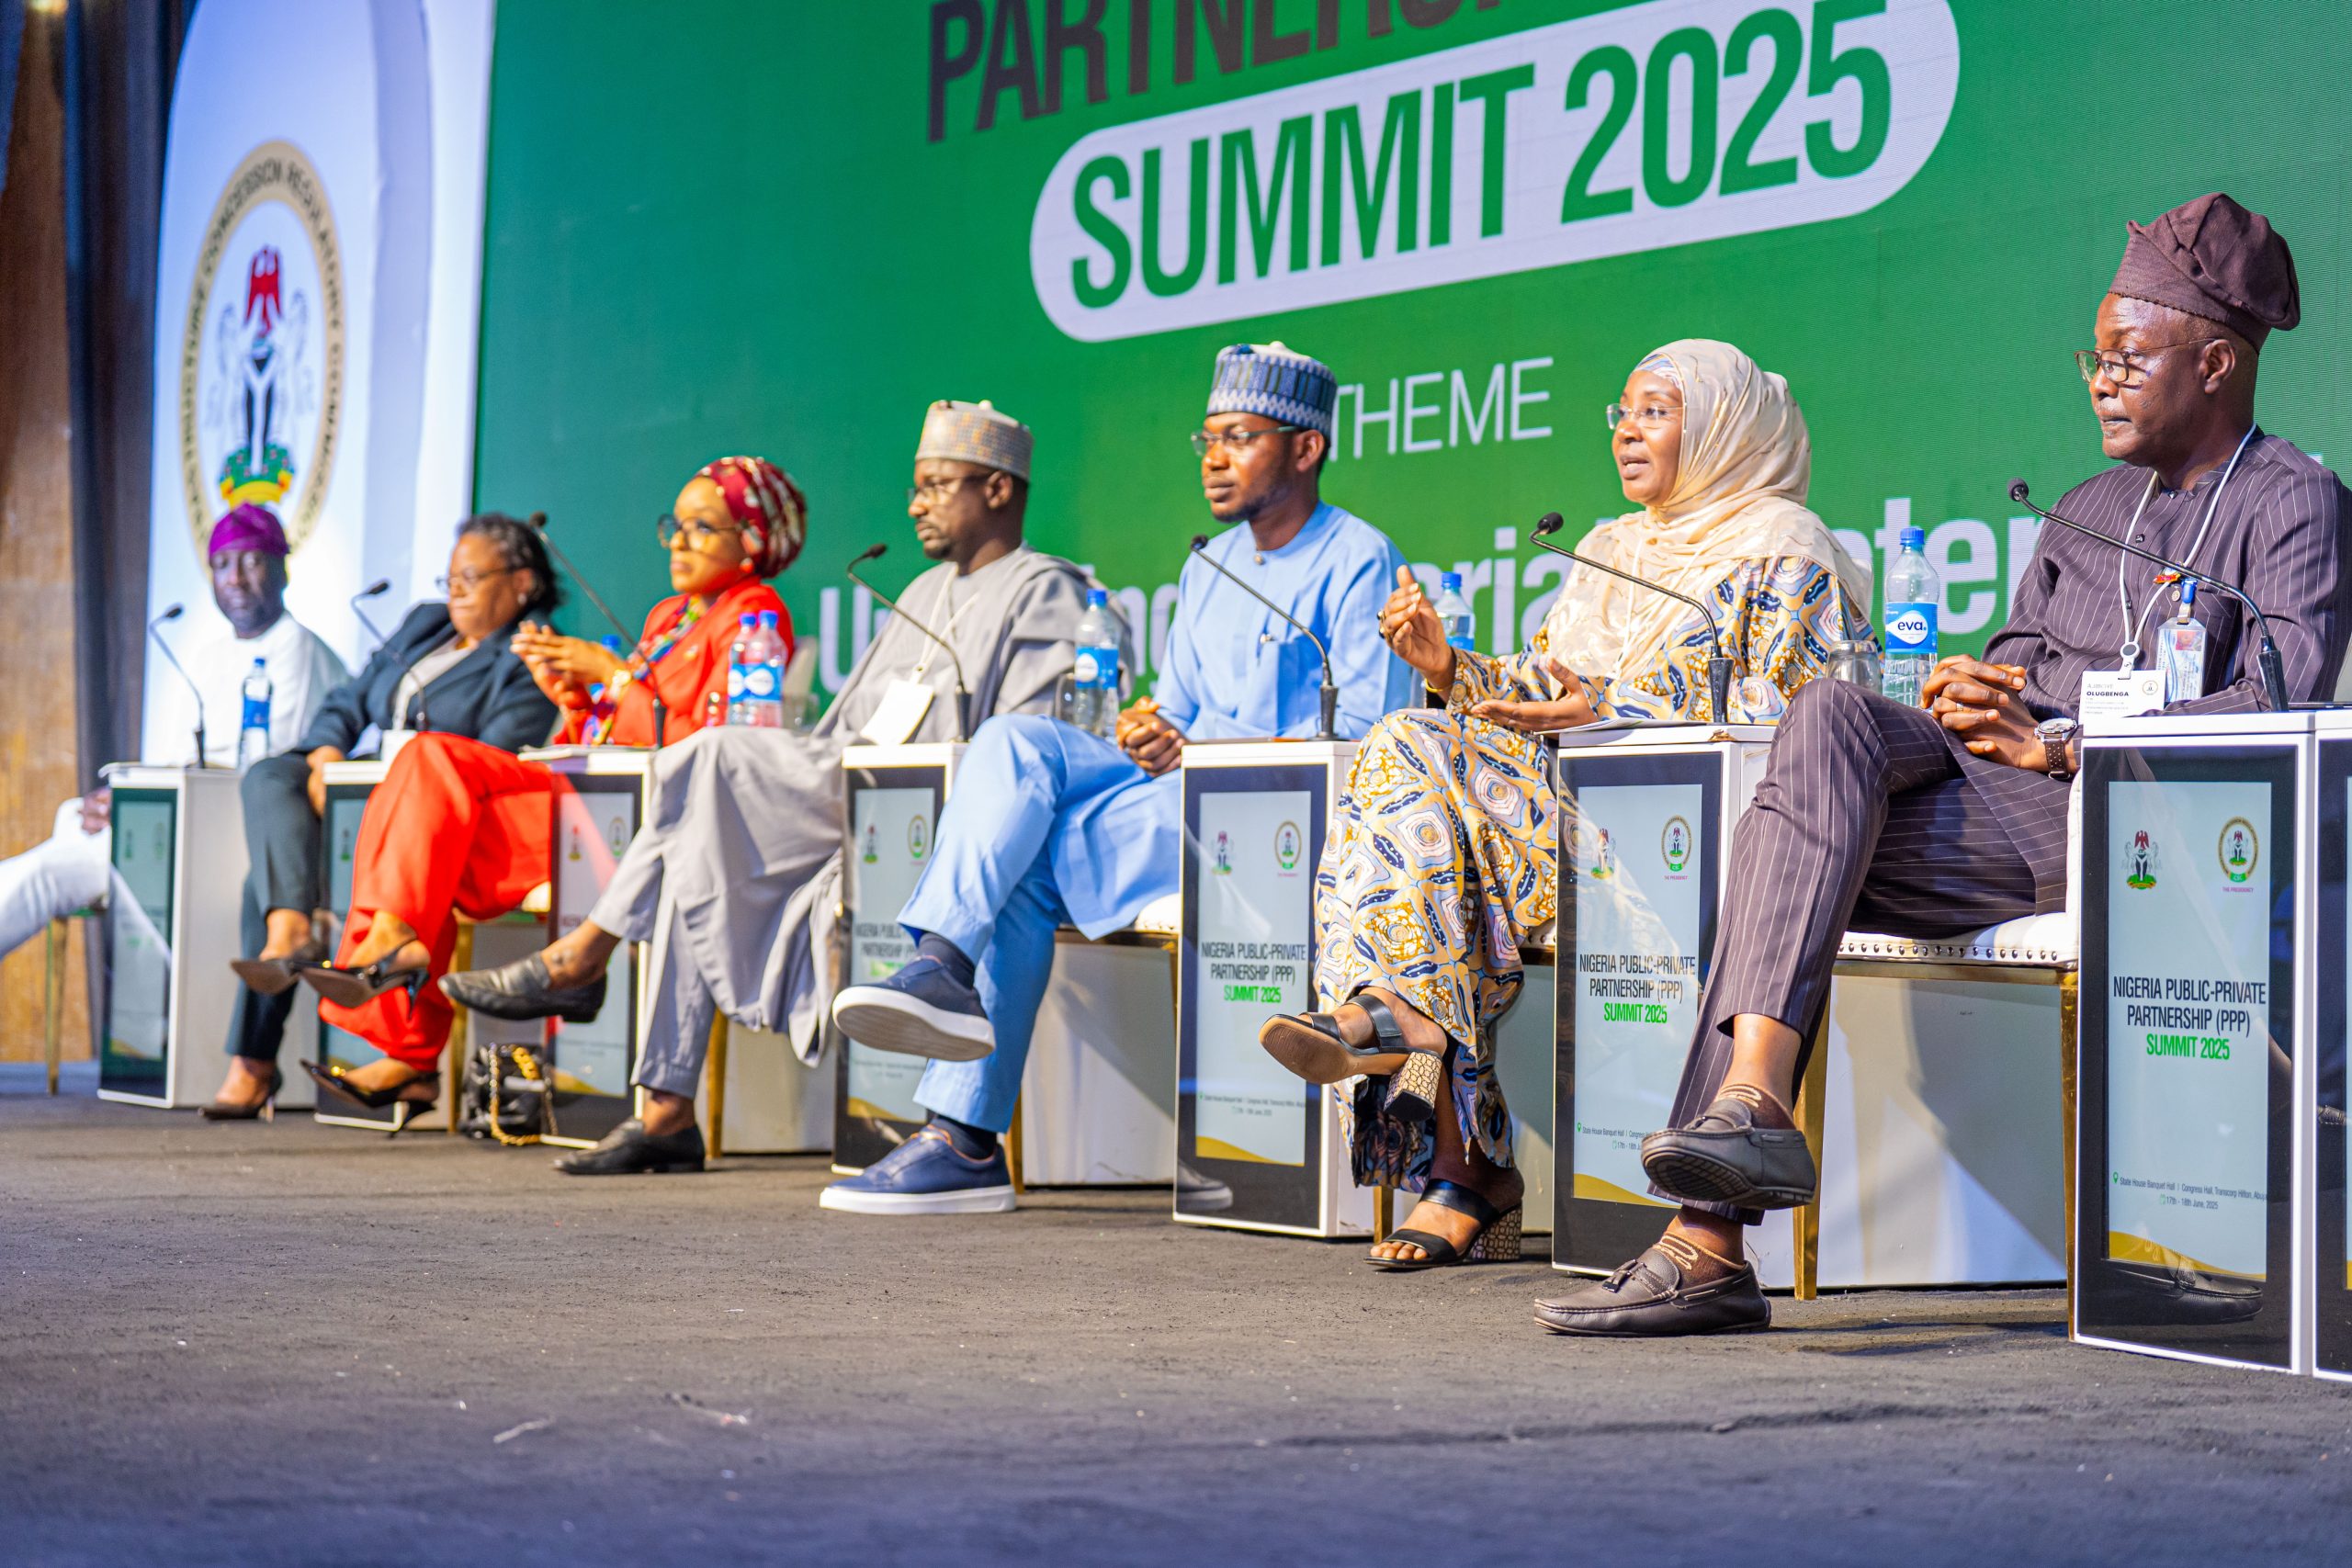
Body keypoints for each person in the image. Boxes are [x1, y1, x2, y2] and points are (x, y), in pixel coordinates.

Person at [1533, 193, 2351, 1337]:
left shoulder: (2292, 497)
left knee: (1777, 856)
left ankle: (1706, 1242)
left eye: (2128, 358)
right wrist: (1970, 691)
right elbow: (2014, 669)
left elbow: (2278, 700)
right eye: (2095, 359)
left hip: (2133, 818)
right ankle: (1751, 1102)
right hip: (1999, 788)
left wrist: (2060, 742)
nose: (2101, 382)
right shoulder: (2085, 507)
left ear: (2216, 363)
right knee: (1826, 715)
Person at [1258, 340, 1871, 1269]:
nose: (1627, 432)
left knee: (1435, 848)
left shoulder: (1787, 549)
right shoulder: (1610, 549)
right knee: (1405, 743)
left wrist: (1622, 708)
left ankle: (1458, 1156)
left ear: (1724, 427)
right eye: (1622, 413)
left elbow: (1805, 717)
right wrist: (1449, 666)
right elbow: (1549, 688)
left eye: (1655, 412)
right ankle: (1407, 1035)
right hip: (1569, 816)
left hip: (1694, 832)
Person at [826, 344, 1415, 1214]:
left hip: (1263, 810)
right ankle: (938, 960)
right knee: (1012, 740)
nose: (1214, 459)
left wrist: (1198, 749)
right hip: (1174, 786)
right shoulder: (1210, 562)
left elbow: (1366, 733)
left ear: (1305, 448)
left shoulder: (1359, 556)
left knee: (1023, 869)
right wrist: (1149, 725)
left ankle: (962, 1138)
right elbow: (1175, 709)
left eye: (1240, 437)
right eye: (1207, 440)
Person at [443, 400, 1102, 1177]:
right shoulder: (921, 591)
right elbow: (843, 726)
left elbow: (1025, 752)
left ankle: (588, 958)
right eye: (915, 486)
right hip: (843, 784)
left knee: (709, 759)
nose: (915, 505)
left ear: (997, 489)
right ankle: (664, 1110)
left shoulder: (1047, 590)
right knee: (698, 831)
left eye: (936, 485)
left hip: (925, 804)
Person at [289, 457, 806, 1122]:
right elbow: (615, 729)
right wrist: (574, 696)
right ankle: (394, 941)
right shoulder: (669, 616)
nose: (678, 542)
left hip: (648, 819)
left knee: (430, 834)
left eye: (702, 528)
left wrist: (612, 676)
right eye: (674, 526)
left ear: (753, 539)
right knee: (425, 764)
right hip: (593, 788)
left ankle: (408, 1040)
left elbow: (717, 753)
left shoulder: (756, 618)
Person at [206, 513, 563, 1119]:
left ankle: (254, 1061)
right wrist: (326, 749)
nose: (455, 592)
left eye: (471, 578)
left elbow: (491, 758)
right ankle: (290, 927)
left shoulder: (531, 654)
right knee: (270, 778)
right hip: (358, 785)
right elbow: (348, 698)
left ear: (521, 583)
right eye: (449, 578)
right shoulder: (426, 623)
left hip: (430, 806)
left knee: (261, 881)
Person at [0, 504, 345, 962]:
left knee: (43, 875)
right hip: (187, 816)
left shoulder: (297, 648)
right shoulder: (207, 657)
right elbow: (181, 760)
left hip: (234, 831)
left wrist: (138, 805)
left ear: (282, 568)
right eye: (222, 564)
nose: (235, 579)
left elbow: (264, 771)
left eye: (251, 561)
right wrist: (126, 798)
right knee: (70, 821)